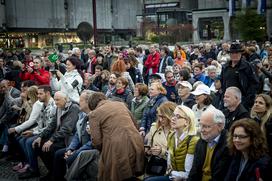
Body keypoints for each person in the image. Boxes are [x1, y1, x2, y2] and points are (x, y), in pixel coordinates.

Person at [88, 92, 144, 181]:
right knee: (134, 175)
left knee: (115, 176)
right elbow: (135, 124)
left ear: (92, 105)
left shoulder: (94, 113)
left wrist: (103, 148)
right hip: (136, 142)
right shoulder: (120, 104)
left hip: (117, 149)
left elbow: (97, 141)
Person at [34, 91, 80, 181]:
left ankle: (58, 176)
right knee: (37, 145)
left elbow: (67, 129)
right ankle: (52, 171)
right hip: (59, 136)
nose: (55, 102)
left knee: (52, 149)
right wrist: (41, 136)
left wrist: (51, 140)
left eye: (58, 100)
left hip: (68, 139)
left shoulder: (73, 108)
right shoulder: (59, 107)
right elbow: (52, 124)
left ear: (66, 99)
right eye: (54, 99)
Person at [145, 105, 199, 181]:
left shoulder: (193, 140)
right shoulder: (172, 136)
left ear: (187, 121)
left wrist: (172, 173)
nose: (173, 118)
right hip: (171, 175)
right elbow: (169, 163)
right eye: (173, 115)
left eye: (178, 116)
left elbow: (189, 173)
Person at [14, 85, 56, 179]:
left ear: (48, 93)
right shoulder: (43, 105)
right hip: (43, 131)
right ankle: (29, 165)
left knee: (29, 142)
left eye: (41, 94)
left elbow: (50, 127)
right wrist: (33, 131)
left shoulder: (52, 106)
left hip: (50, 134)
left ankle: (34, 170)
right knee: (23, 139)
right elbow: (40, 124)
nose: (38, 96)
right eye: (37, 93)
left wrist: (34, 133)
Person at [52, 90, 94, 181]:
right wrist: (70, 149)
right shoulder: (83, 115)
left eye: (81, 100)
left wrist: (76, 151)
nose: (79, 102)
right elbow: (77, 135)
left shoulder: (94, 117)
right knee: (59, 154)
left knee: (70, 158)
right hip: (80, 145)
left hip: (89, 148)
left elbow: (93, 141)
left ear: (88, 102)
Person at [188, 108, 231, 181]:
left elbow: (220, 176)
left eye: (206, 126)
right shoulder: (201, 142)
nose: (201, 130)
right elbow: (194, 170)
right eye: (200, 125)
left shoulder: (229, 145)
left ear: (220, 126)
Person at [220, 42, 259, 110]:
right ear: (230, 54)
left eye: (237, 53)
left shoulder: (247, 66)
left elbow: (254, 83)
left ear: (241, 54)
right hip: (227, 101)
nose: (235, 55)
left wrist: (247, 100)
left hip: (242, 102)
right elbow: (223, 82)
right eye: (232, 53)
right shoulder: (225, 67)